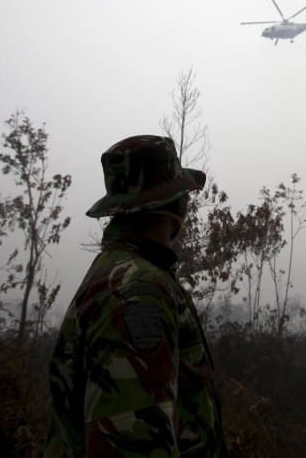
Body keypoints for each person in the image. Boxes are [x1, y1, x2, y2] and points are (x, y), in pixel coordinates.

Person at [44, 135, 227, 457]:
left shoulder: (122, 270)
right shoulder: (138, 291)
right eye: (184, 195)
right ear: (175, 205)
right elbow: (131, 439)